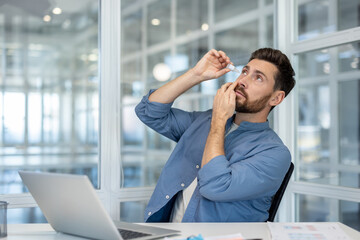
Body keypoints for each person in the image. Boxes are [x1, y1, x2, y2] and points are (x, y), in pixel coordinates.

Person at [135, 48, 296, 222]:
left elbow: (214, 186)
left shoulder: (275, 153)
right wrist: (195, 75)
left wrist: (219, 120)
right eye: (244, 71)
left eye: (258, 78)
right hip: (167, 232)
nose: (242, 81)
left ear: (276, 98)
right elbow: (148, 111)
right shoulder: (205, 121)